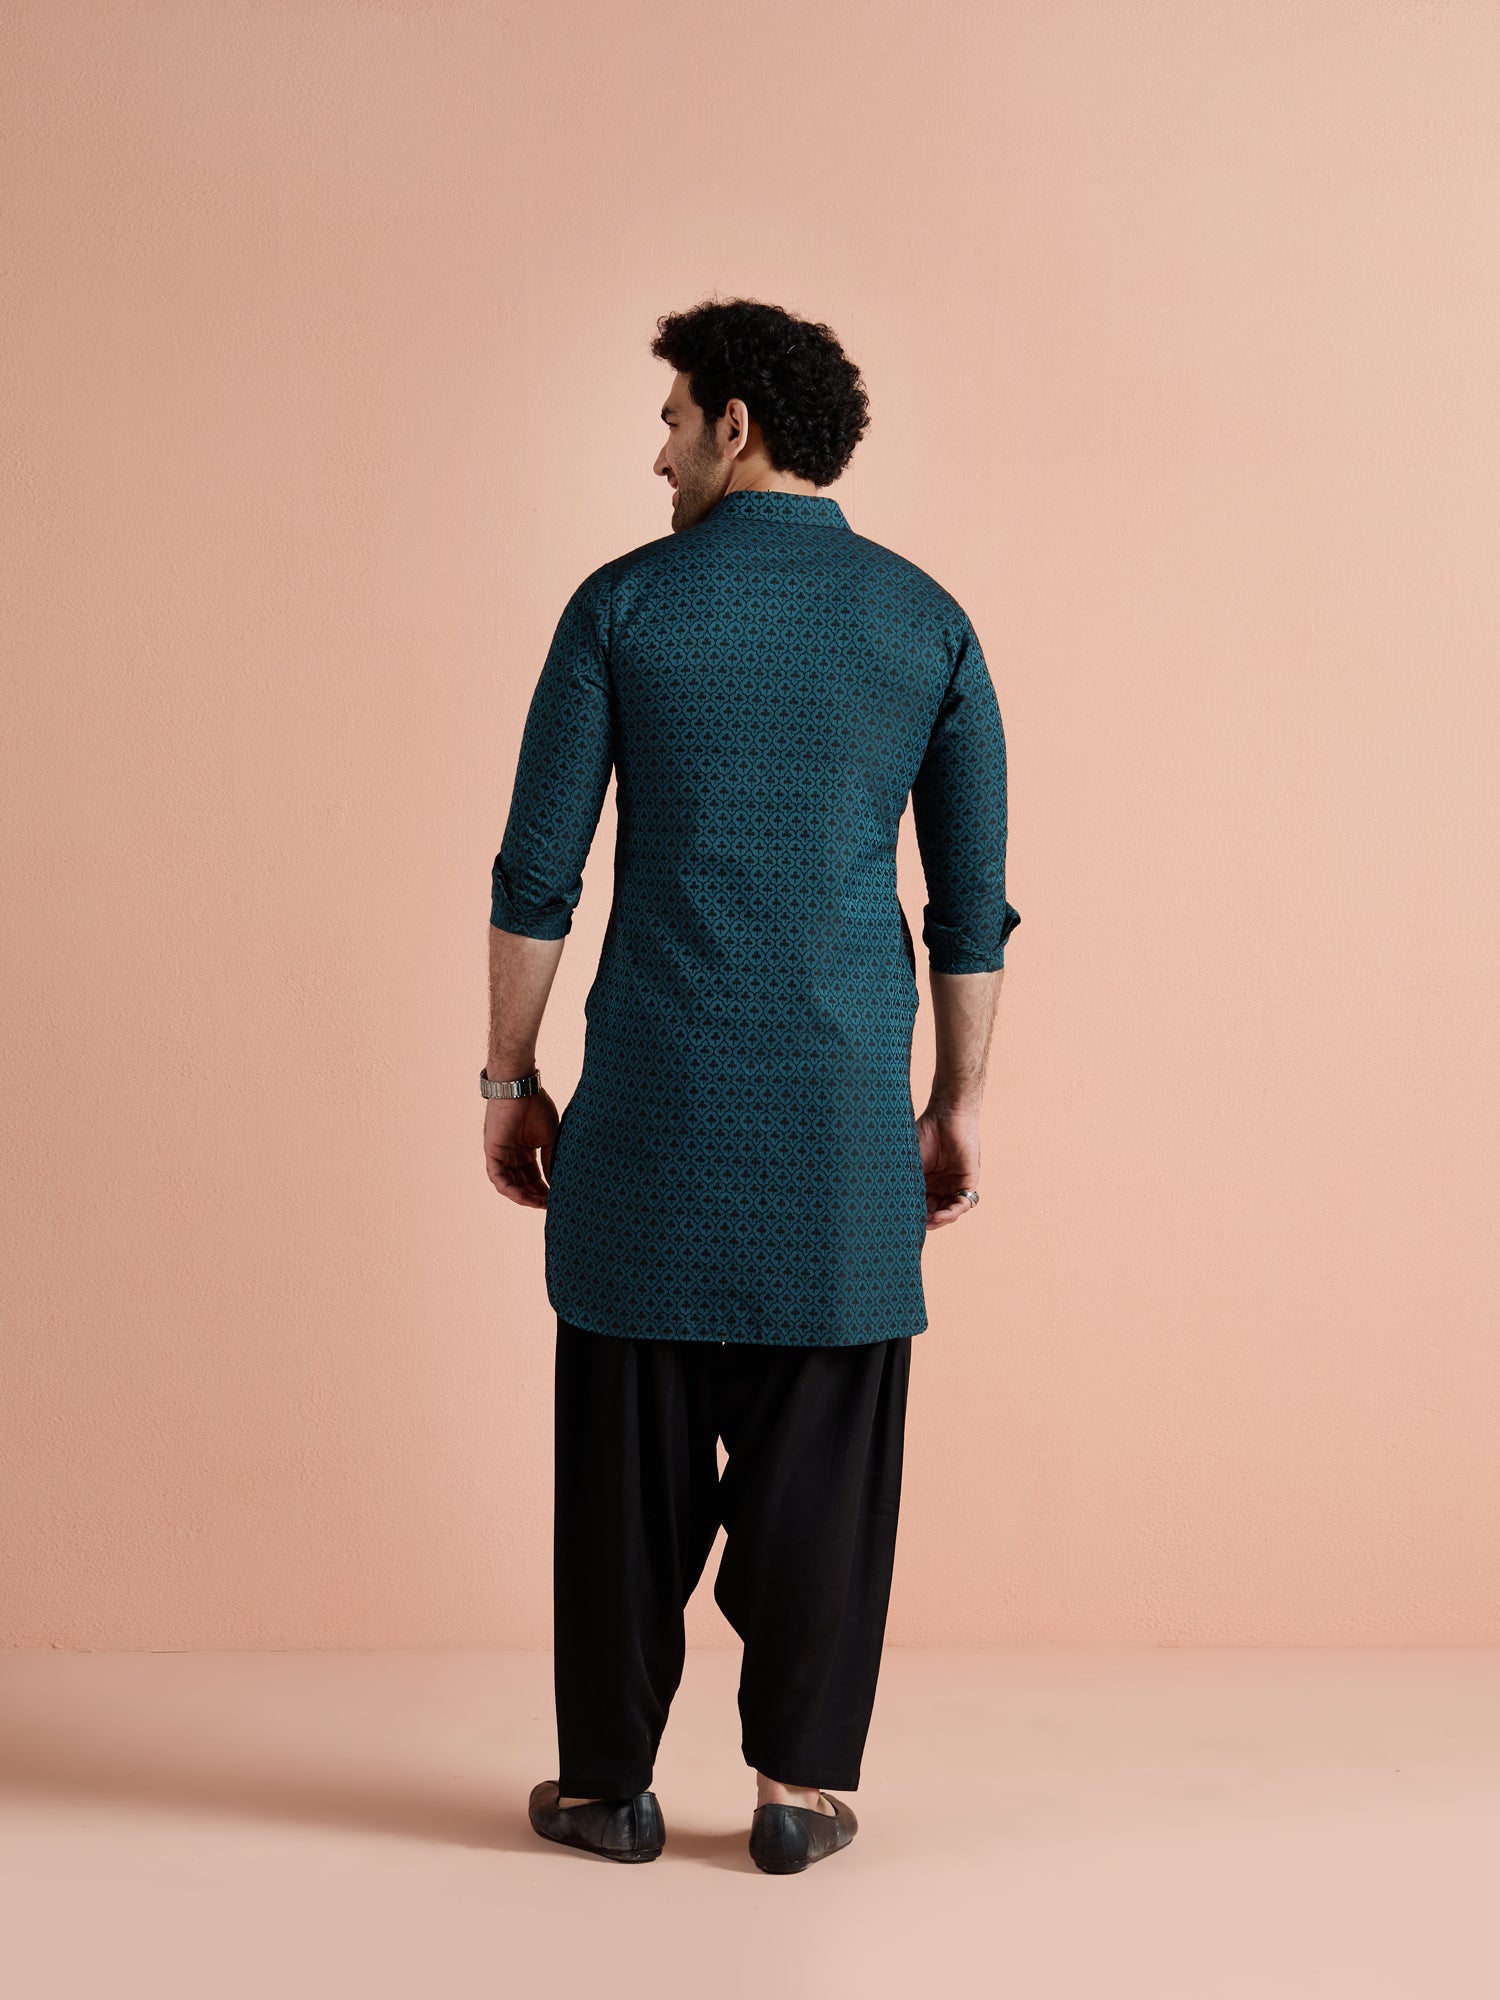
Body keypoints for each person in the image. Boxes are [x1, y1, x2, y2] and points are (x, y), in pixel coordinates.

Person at [484, 297, 1020, 1874]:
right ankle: (796, 1793)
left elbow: (535, 878)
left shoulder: (622, 608)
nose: (657, 454)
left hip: (647, 1129)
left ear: (736, 424)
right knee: (827, 1479)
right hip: (841, 1140)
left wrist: (509, 1076)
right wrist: (957, 1102)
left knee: (622, 1480)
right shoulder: (928, 624)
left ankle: (609, 1790)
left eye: (671, 420)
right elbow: (968, 906)